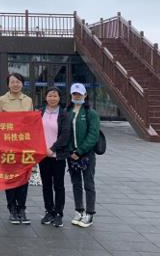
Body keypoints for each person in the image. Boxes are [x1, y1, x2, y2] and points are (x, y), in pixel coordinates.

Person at [0, 72, 34, 224]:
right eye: (12, 82)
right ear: (8, 84)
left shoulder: (28, 100)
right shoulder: (2, 100)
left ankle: (22, 208)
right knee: (9, 178)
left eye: (18, 81)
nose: (15, 84)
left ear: (22, 84)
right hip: (7, 146)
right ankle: (12, 208)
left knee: (23, 178)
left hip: (24, 145)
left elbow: (32, 123)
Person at [67, 83, 100, 228]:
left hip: (86, 155)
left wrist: (79, 151)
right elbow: (64, 132)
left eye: (79, 94)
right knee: (76, 183)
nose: (77, 96)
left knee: (88, 183)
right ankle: (78, 210)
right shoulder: (67, 111)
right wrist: (71, 152)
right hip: (71, 154)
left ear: (85, 95)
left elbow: (93, 135)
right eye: (74, 94)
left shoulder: (90, 113)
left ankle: (90, 213)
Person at [38, 87, 71, 228]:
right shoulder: (39, 112)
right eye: (50, 96)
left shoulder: (64, 114)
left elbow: (65, 134)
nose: (52, 98)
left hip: (58, 155)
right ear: (45, 97)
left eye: (55, 96)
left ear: (59, 98)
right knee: (46, 185)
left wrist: (52, 149)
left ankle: (58, 213)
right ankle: (49, 211)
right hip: (43, 155)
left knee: (58, 185)